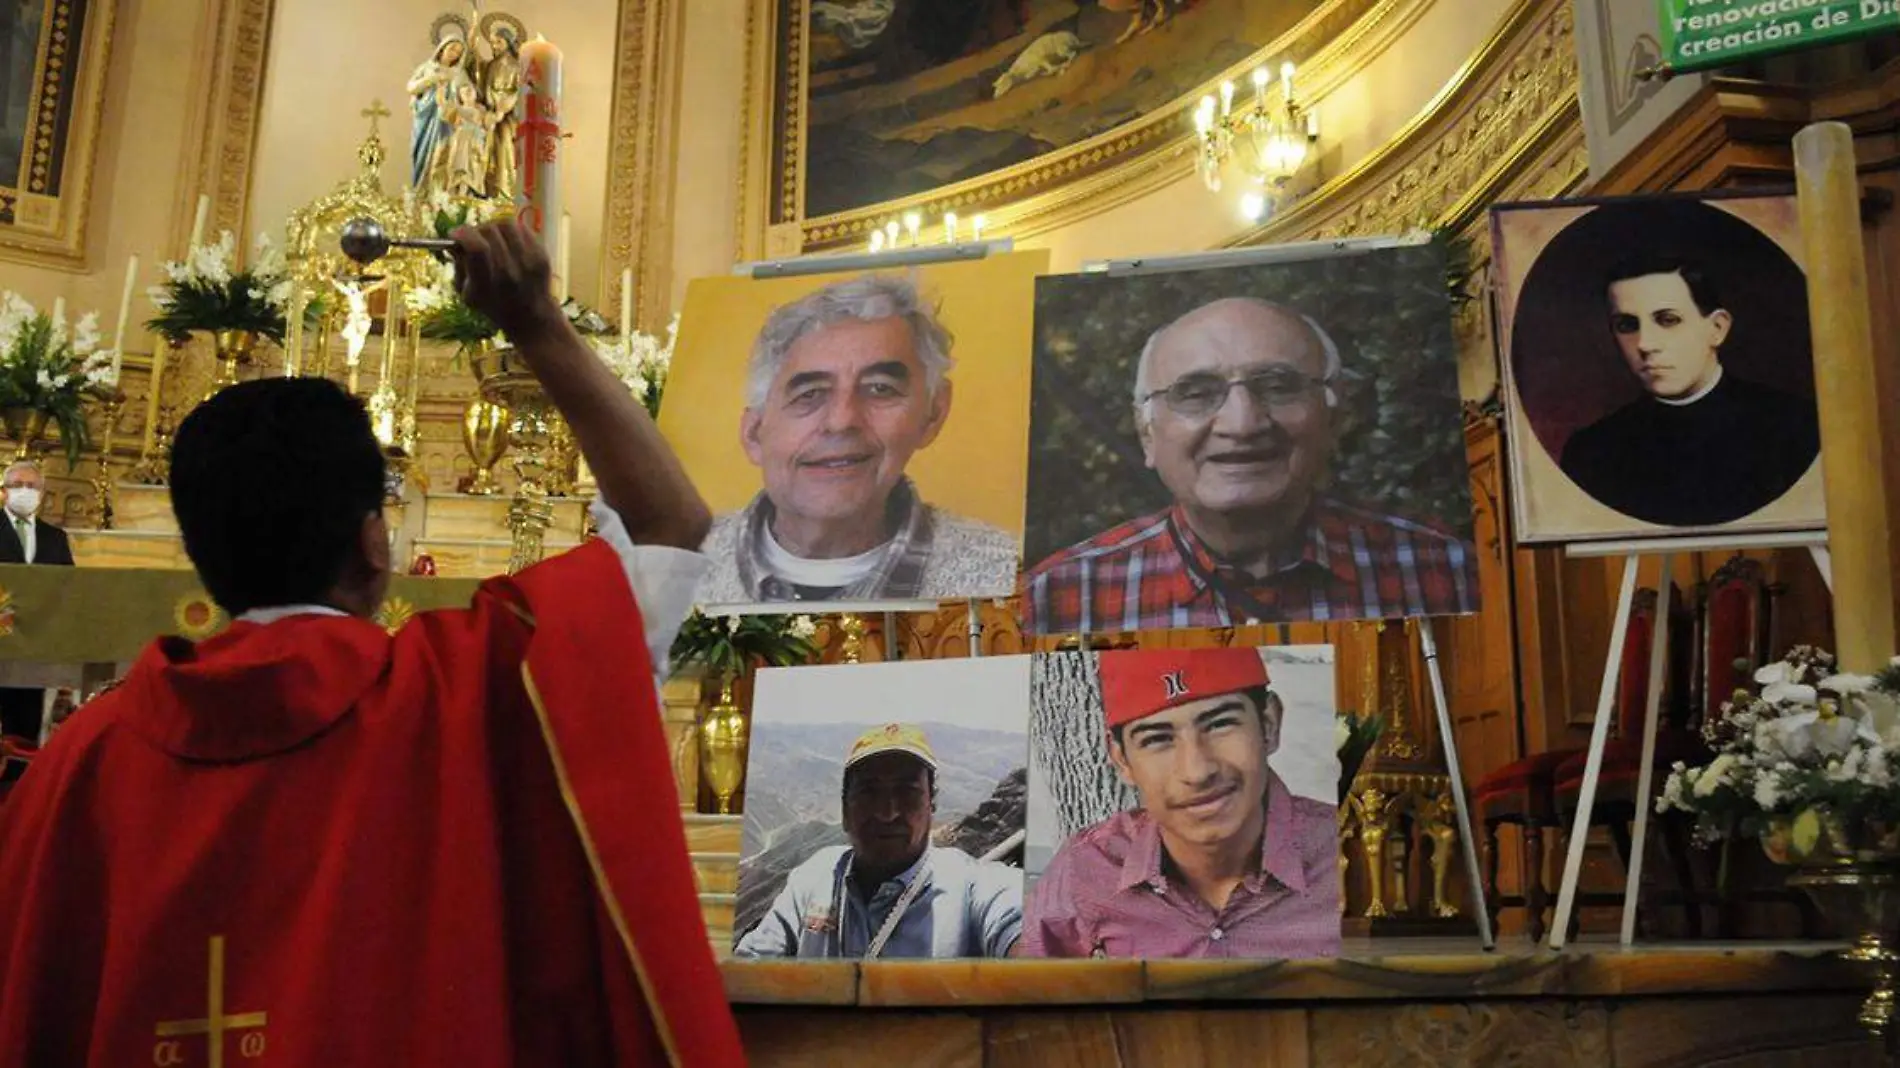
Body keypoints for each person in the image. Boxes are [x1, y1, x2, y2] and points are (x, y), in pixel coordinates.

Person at [0, 219, 746, 1066]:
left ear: (200, 555)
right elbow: (669, 526)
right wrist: (536, 322)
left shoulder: (77, 765)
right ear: (374, 544)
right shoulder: (475, 690)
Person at [1024, 297, 1479, 634]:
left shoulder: (1446, 570)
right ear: (1147, 434)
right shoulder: (1055, 596)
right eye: (1197, 393)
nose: (1242, 424)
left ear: (1334, 419)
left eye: (1278, 386)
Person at [698, 274, 1019, 604]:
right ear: (754, 433)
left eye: (880, 389)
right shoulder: (672, 570)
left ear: (933, 414)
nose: (842, 421)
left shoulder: (1009, 576)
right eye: (809, 394)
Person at [1023, 647, 1339, 959]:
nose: (1197, 771)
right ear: (1122, 761)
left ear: (1268, 724)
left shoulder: (1346, 855)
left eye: (1220, 724)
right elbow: (1023, 996)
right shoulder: (1088, 867)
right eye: (1157, 739)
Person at [1558, 254, 1820, 527]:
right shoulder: (1592, 452)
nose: (1645, 343)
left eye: (1668, 320)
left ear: (1717, 329)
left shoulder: (1796, 427)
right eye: (1627, 325)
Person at [734, 723, 1023, 959]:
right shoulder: (814, 878)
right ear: (845, 810)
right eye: (869, 792)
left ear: (931, 806)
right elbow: (752, 965)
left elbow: (1019, 928)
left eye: (907, 792)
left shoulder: (970, 886)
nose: (887, 813)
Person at [0, 459, 74, 743]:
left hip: (36, 641)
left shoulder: (55, 537)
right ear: (4, 491)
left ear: (41, 493)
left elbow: (69, 584)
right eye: (17, 485)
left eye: (31, 486)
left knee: (26, 721)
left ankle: (18, 780)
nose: (24, 491)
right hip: (2, 634)